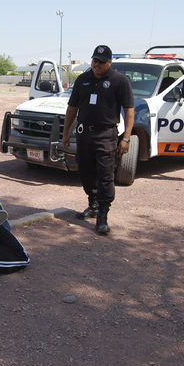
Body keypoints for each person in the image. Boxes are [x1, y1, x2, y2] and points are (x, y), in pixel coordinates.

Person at [62, 45, 135, 235]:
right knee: (85, 171)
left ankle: (103, 214)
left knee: (105, 175)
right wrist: (65, 132)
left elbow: (129, 111)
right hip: (84, 134)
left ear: (109, 62)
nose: (97, 65)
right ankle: (93, 204)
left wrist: (126, 137)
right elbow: (72, 108)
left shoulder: (120, 81)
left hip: (106, 135)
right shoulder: (82, 79)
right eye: (95, 60)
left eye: (101, 62)